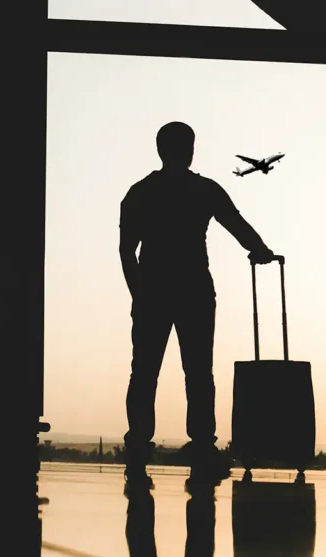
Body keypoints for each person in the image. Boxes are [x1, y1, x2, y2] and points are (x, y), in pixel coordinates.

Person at [119, 121, 276, 486]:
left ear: (160, 150)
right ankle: (202, 447)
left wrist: (137, 294)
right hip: (194, 290)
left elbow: (128, 250)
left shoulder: (140, 193)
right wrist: (261, 250)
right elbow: (235, 223)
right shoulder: (203, 189)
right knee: (199, 373)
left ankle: (138, 450)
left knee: (144, 373)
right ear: (190, 149)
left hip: (153, 290)